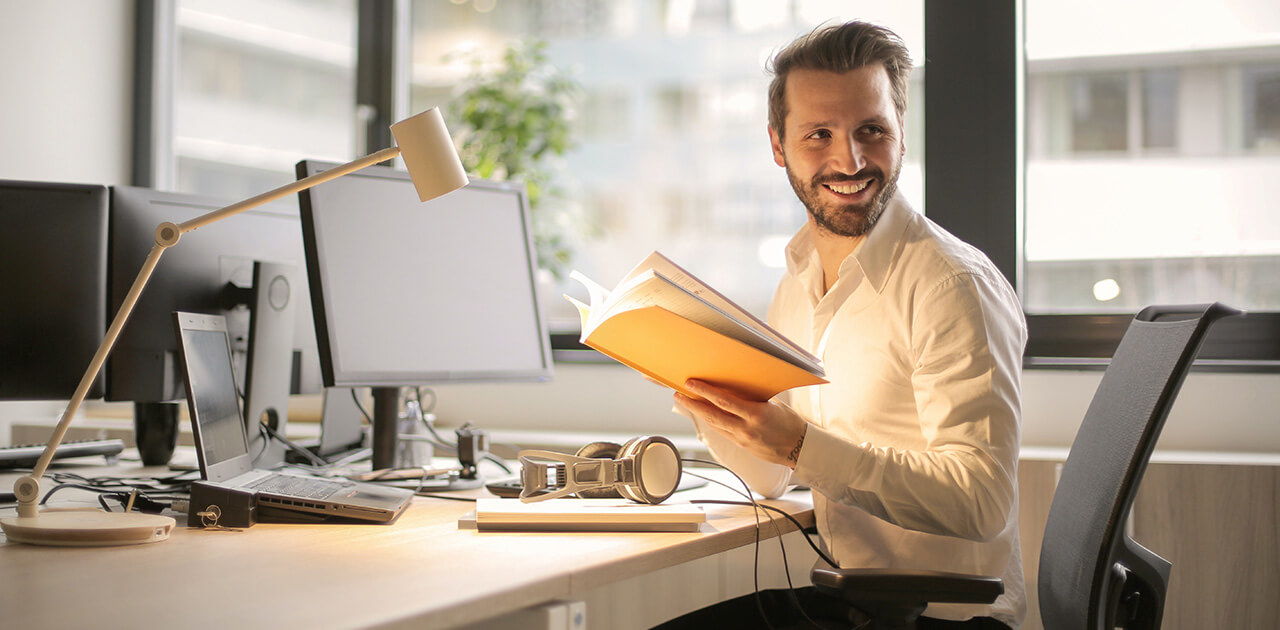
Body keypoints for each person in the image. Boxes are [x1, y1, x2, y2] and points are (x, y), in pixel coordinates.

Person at [663, 20, 1027, 630]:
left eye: (871, 130)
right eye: (819, 135)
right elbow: (771, 478)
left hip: (948, 620)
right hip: (855, 605)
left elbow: (981, 500)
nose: (849, 159)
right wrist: (704, 395)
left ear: (901, 135)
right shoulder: (799, 278)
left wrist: (801, 444)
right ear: (778, 146)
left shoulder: (951, 284)